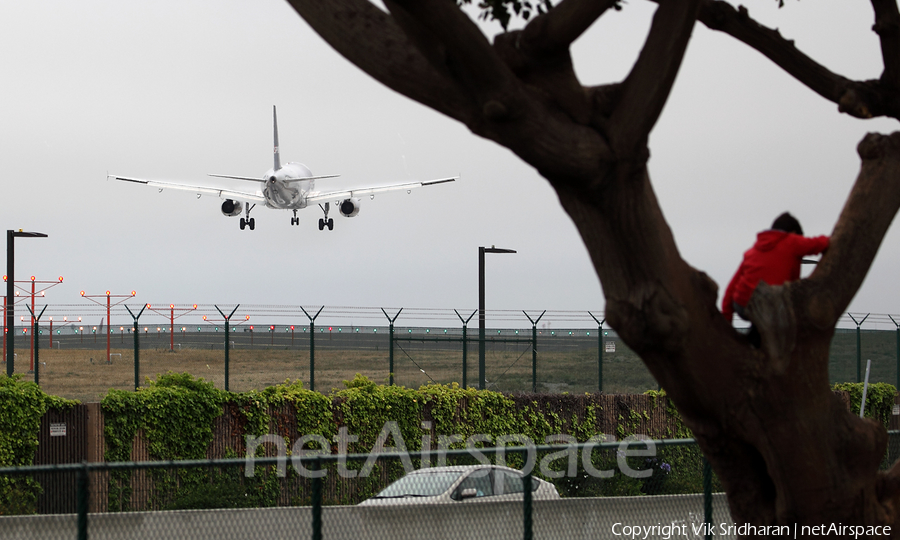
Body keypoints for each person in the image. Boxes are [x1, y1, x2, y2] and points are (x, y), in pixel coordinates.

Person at [722, 212, 830, 325]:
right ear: (793, 233)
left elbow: (731, 287)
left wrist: (727, 319)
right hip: (770, 308)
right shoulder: (792, 242)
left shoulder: (753, 251)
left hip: (741, 304)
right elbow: (821, 243)